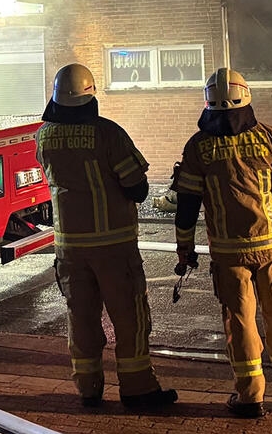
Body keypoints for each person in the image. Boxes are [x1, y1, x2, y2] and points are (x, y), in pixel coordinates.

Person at [173, 68, 272, 418]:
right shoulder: (269, 137)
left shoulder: (198, 147)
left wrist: (185, 247)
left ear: (208, 102)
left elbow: (187, 204)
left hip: (228, 252)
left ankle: (250, 397)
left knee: (240, 322)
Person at [36, 63, 176, 411]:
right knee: (130, 319)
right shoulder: (108, 134)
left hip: (69, 248)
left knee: (81, 319)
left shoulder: (44, 136)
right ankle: (138, 389)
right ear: (91, 95)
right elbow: (137, 188)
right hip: (113, 246)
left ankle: (88, 388)